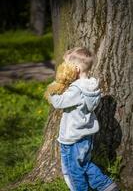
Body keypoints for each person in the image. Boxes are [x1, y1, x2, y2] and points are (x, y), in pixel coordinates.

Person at [48, 47, 119, 191]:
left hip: (72, 139)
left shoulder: (76, 89)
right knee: (84, 164)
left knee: (73, 171)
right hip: (86, 137)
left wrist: (52, 89)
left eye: (66, 65)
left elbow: (58, 102)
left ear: (76, 69)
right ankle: (107, 186)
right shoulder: (92, 85)